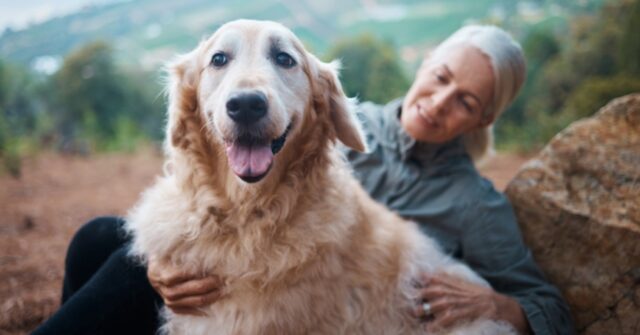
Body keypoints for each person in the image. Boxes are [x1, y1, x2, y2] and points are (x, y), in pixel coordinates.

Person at [34, 25, 573, 334]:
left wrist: (500, 308)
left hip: (334, 312)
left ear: (482, 121)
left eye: (466, 102)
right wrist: (158, 267)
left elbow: (550, 306)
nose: (438, 103)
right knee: (100, 242)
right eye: (440, 77)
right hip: (254, 274)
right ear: (425, 63)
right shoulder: (349, 129)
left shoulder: (473, 202)